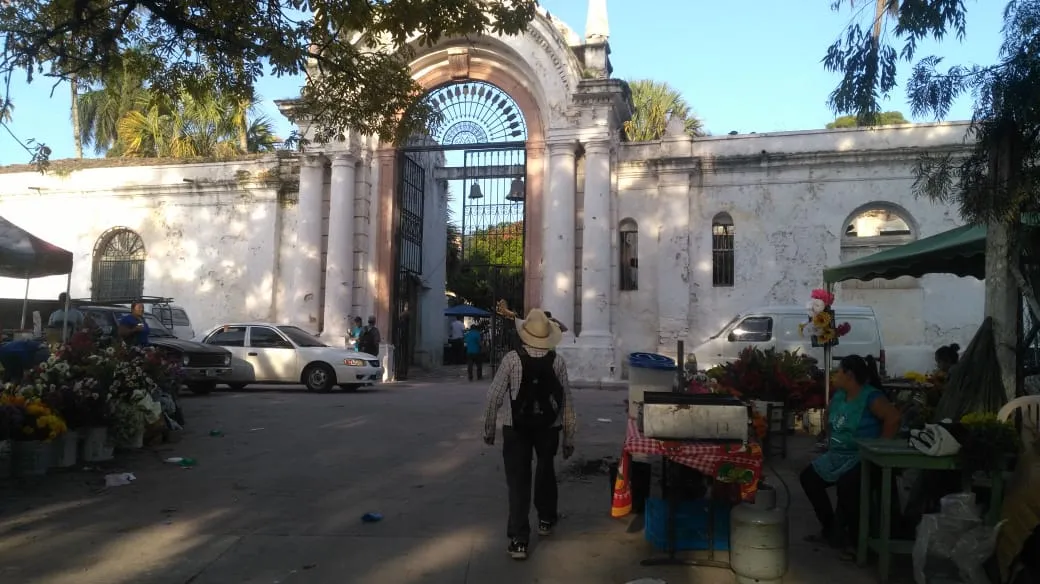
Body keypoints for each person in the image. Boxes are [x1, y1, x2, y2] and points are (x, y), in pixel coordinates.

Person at [482, 308, 576, 561]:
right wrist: (569, 436)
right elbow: (566, 400)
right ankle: (545, 520)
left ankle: (519, 540)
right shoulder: (557, 361)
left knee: (518, 482)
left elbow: (494, 395)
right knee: (546, 472)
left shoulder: (512, 359)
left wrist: (489, 428)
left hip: (516, 428)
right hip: (549, 428)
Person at [799, 354, 901, 553]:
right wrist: (828, 439)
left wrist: (880, 449)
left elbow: (894, 419)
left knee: (848, 486)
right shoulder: (839, 395)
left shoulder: (871, 397)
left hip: (862, 457)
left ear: (850, 375)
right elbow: (829, 416)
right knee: (808, 478)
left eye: (838, 371)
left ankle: (856, 541)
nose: (835, 375)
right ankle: (830, 529)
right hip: (837, 455)